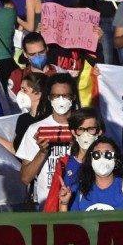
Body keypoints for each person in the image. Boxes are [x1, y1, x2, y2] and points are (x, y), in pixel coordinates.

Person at [16, 73, 79, 208]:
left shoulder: (83, 127)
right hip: (47, 204)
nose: (61, 100)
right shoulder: (36, 129)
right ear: (49, 98)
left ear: (73, 97)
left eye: (66, 96)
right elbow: (25, 178)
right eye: (56, 96)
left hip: (78, 201)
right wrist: (42, 152)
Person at [59, 136, 123, 211]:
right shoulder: (79, 189)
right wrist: (64, 204)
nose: (102, 159)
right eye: (97, 155)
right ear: (90, 160)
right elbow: (69, 224)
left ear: (116, 161)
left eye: (108, 155)